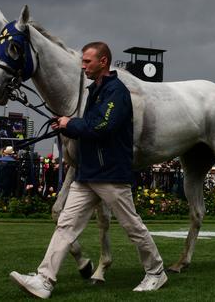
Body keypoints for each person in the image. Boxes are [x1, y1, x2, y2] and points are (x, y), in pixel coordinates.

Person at [10, 41, 166, 299]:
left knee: (132, 227)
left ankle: (156, 272)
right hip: (88, 173)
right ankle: (44, 279)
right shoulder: (96, 90)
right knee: (66, 224)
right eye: (82, 61)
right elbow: (90, 124)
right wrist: (66, 125)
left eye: (87, 62)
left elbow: (102, 126)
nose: (83, 67)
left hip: (111, 174)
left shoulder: (117, 91)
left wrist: (70, 123)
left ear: (103, 62)